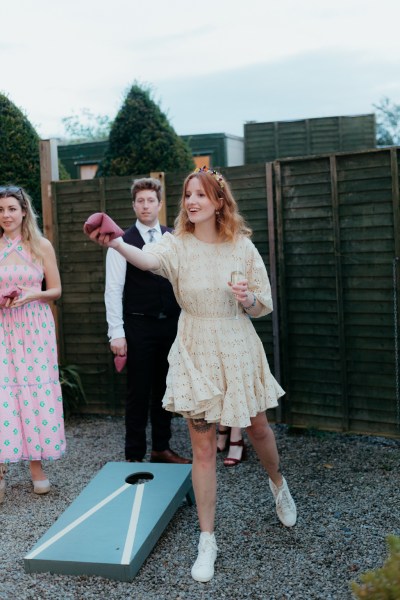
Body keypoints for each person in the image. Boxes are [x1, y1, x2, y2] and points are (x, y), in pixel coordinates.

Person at [86, 167, 297, 582]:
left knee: (257, 428)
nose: (191, 201)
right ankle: (207, 539)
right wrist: (116, 242)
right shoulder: (175, 244)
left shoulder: (242, 247)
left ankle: (278, 483)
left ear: (219, 201)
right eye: (187, 195)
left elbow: (263, 305)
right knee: (202, 449)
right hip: (195, 346)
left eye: (200, 194)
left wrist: (249, 298)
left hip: (237, 346)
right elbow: (147, 260)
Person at [105, 177, 190, 464]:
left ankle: (161, 448)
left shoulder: (172, 238)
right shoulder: (120, 242)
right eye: (140, 201)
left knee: (166, 389)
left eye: (150, 200)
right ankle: (133, 455)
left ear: (159, 204)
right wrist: (116, 333)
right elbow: (113, 290)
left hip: (171, 325)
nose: (145, 205)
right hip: (138, 326)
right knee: (138, 392)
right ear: (133, 205)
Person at [0, 185, 66, 503]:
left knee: (33, 390)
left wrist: (31, 295)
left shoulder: (41, 245)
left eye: (11, 208)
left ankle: (37, 468)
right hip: (2, 327)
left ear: (24, 211)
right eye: (0, 210)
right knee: (4, 394)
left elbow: (55, 290)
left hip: (34, 327)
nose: (6, 215)